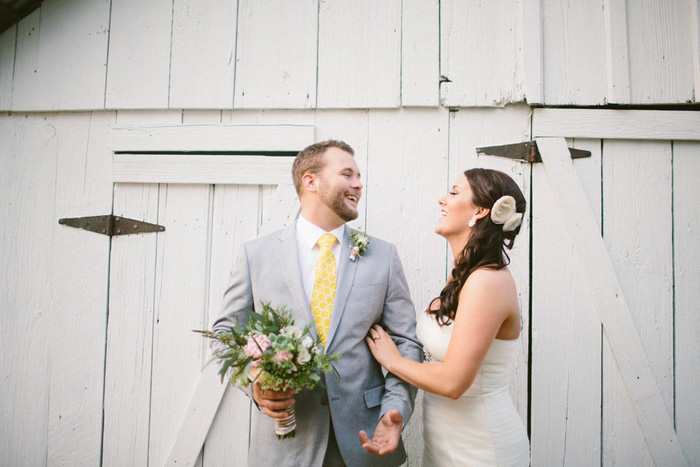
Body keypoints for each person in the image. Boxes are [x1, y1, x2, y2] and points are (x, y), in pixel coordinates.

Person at [211, 140, 423, 466]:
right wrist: (256, 385)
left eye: (359, 176)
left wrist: (394, 409)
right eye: (347, 174)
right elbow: (226, 334)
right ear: (310, 181)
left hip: (366, 441)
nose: (358, 184)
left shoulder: (383, 257)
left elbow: (406, 342)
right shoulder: (256, 255)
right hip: (286, 443)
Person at [365, 168, 531, 466]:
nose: (442, 200)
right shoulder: (465, 276)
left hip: (481, 448)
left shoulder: (487, 281)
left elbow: (454, 382)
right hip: (445, 441)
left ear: (480, 211)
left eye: (454, 192)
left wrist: (393, 361)